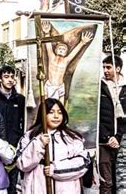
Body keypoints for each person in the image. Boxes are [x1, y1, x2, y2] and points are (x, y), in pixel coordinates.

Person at [17, 98, 89, 194]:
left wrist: (55, 169)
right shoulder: (30, 136)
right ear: (43, 114)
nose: (56, 116)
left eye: (59, 112)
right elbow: (21, 163)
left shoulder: (72, 138)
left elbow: (83, 163)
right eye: (51, 112)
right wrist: (38, 144)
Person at [41, 20, 93, 103]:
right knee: (46, 107)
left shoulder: (66, 60)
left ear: (66, 53)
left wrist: (82, 42)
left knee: (61, 108)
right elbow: (48, 46)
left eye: (64, 49)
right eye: (60, 48)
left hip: (60, 87)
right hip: (49, 85)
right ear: (56, 50)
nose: (61, 50)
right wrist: (47, 33)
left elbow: (74, 52)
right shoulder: (51, 56)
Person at [0, 66, 25, 194]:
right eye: (6, 77)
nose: (10, 80)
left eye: (12, 77)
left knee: (12, 180)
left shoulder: (20, 99)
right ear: (1, 79)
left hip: (14, 143)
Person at [99, 55, 126, 193]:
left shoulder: (125, 88)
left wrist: (118, 136)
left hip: (122, 141)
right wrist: (107, 136)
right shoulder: (99, 88)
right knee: (106, 181)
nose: (105, 70)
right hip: (104, 142)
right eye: (103, 67)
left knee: (122, 181)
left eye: (108, 67)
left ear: (118, 68)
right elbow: (97, 114)